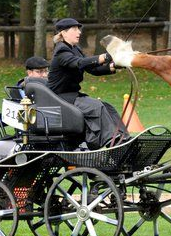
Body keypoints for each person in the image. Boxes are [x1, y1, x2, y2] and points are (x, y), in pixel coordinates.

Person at [48, 17, 129, 150]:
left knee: (107, 107)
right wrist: (106, 56)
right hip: (60, 98)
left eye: (79, 29)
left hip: (73, 96)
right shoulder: (61, 50)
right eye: (74, 29)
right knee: (96, 106)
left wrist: (114, 66)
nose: (79, 32)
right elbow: (79, 63)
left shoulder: (75, 49)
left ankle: (124, 139)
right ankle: (113, 143)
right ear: (63, 33)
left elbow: (93, 69)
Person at [0, 56, 50, 155]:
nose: (44, 75)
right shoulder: (17, 91)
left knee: (14, 154)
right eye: (39, 72)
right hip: (21, 138)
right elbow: (17, 114)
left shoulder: (51, 90)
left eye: (46, 71)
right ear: (29, 73)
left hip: (42, 139)